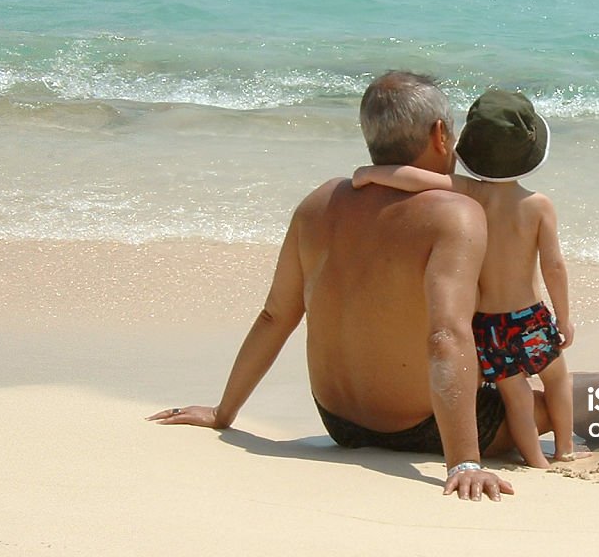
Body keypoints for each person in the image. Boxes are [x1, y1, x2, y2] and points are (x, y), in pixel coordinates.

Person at [149, 72, 563, 500]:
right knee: (589, 393)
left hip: (339, 421)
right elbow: (445, 336)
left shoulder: (318, 203)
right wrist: (463, 461)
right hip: (424, 427)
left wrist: (223, 411)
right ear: (441, 135)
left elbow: (275, 315)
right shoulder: (455, 214)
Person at [352, 89, 579, 468]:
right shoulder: (538, 205)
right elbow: (553, 266)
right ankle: (567, 448)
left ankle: (536, 460)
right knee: (557, 380)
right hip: (529, 318)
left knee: (515, 396)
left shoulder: (469, 192)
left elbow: (412, 178)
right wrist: (564, 317)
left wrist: (370, 173)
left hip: (488, 327)